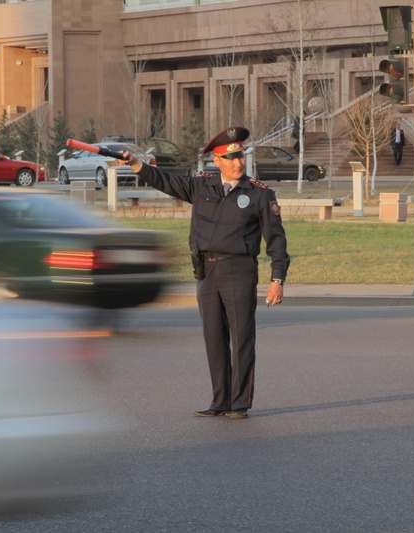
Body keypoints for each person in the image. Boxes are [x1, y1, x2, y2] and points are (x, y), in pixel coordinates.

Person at [118, 126, 290, 420]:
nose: (238, 163)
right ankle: (220, 400)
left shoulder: (260, 194)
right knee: (214, 338)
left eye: (240, 157)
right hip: (206, 271)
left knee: (242, 338)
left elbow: (276, 241)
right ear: (217, 161)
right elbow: (165, 181)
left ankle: (239, 403)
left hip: (239, 270)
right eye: (231, 158)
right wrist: (136, 163)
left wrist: (277, 280)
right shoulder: (202, 187)